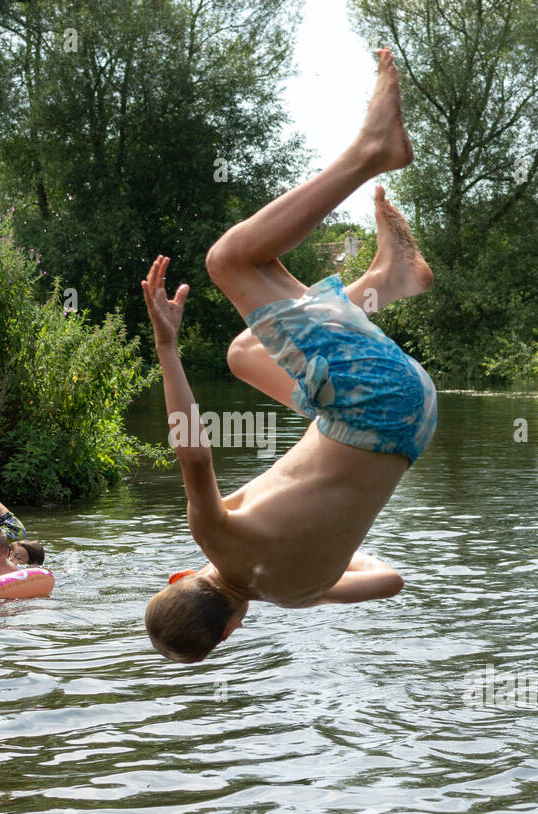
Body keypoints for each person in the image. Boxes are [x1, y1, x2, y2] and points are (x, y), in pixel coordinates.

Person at [142, 47, 437, 663]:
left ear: (231, 630)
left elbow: (390, 580)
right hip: (369, 404)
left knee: (246, 353)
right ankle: (372, 151)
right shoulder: (216, 537)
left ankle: (391, 278)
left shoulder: (303, 594)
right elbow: (191, 449)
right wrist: (168, 347)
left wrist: (317, 587)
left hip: (411, 423)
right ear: (177, 579)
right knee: (230, 262)